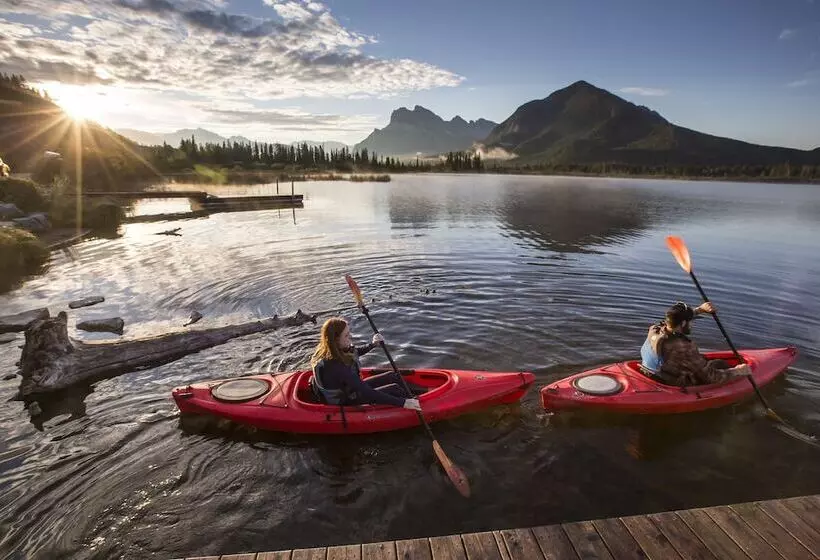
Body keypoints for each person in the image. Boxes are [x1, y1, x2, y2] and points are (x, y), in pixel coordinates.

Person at [309, 317, 422, 410]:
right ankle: (415, 403)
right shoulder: (336, 366)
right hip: (345, 400)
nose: (350, 337)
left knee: (392, 376)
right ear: (336, 339)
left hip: (349, 389)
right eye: (346, 335)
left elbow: (355, 352)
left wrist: (373, 344)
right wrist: (403, 403)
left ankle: (423, 394)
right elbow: (367, 392)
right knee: (394, 388)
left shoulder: (331, 349)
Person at [640, 301, 751, 386]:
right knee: (719, 364)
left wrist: (700, 309)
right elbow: (711, 377)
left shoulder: (655, 329)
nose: (692, 325)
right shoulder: (685, 347)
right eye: (691, 322)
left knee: (708, 361)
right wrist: (737, 371)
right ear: (683, 323)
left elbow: (673, 318)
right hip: (672, 381)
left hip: (651, 373)